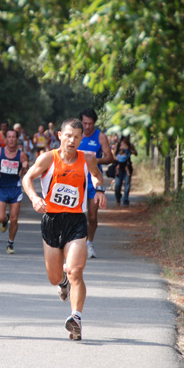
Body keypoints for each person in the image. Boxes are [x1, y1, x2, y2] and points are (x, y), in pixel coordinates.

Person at [22, 118, 107, 341]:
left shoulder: (87, 159)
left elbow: (98, 176)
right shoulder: (48, 158)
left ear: (81, 139)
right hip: (51, 220)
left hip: (76, 221)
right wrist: (34, 198)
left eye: (77, 137)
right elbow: (27, 178)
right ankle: (62, 284)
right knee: (54, 276)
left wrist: (100, 190)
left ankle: (76, 318)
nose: (72, 140)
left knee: (75, 271)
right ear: (60, 136)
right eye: (68, 135)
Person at [0, 129, 29, 254]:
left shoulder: (21, 155)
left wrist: (26, 166)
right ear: (5, 140)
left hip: (15, 189)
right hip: (1, 188)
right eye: (8, 137)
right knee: (0, 217)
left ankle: (10, 243)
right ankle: (5, 219)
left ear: (16, 139)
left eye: (13, 137)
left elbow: (27, 171)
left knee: (14, 219)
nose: (11, 139)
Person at [77, 108, 113, 258]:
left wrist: (93, 160)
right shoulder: (75, 135)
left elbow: (109, 158)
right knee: (77, 215)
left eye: (90, 124)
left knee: (92, 216)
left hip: (93, 180)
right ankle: (76, 245)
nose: (87, 127)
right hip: (76, 180)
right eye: (84, 123)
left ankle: (89, 243)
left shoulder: (101, 137)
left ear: (94, 123)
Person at [113, 135, 138, 206]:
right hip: (119, 166)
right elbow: (113, 155)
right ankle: (118, 197)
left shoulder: (130, 145)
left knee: (127, 184)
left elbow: (136, 153)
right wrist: (119, 159)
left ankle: (126, 200)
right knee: (117, 185)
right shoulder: (118, 144)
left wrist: (132, 152)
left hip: (127, 166)